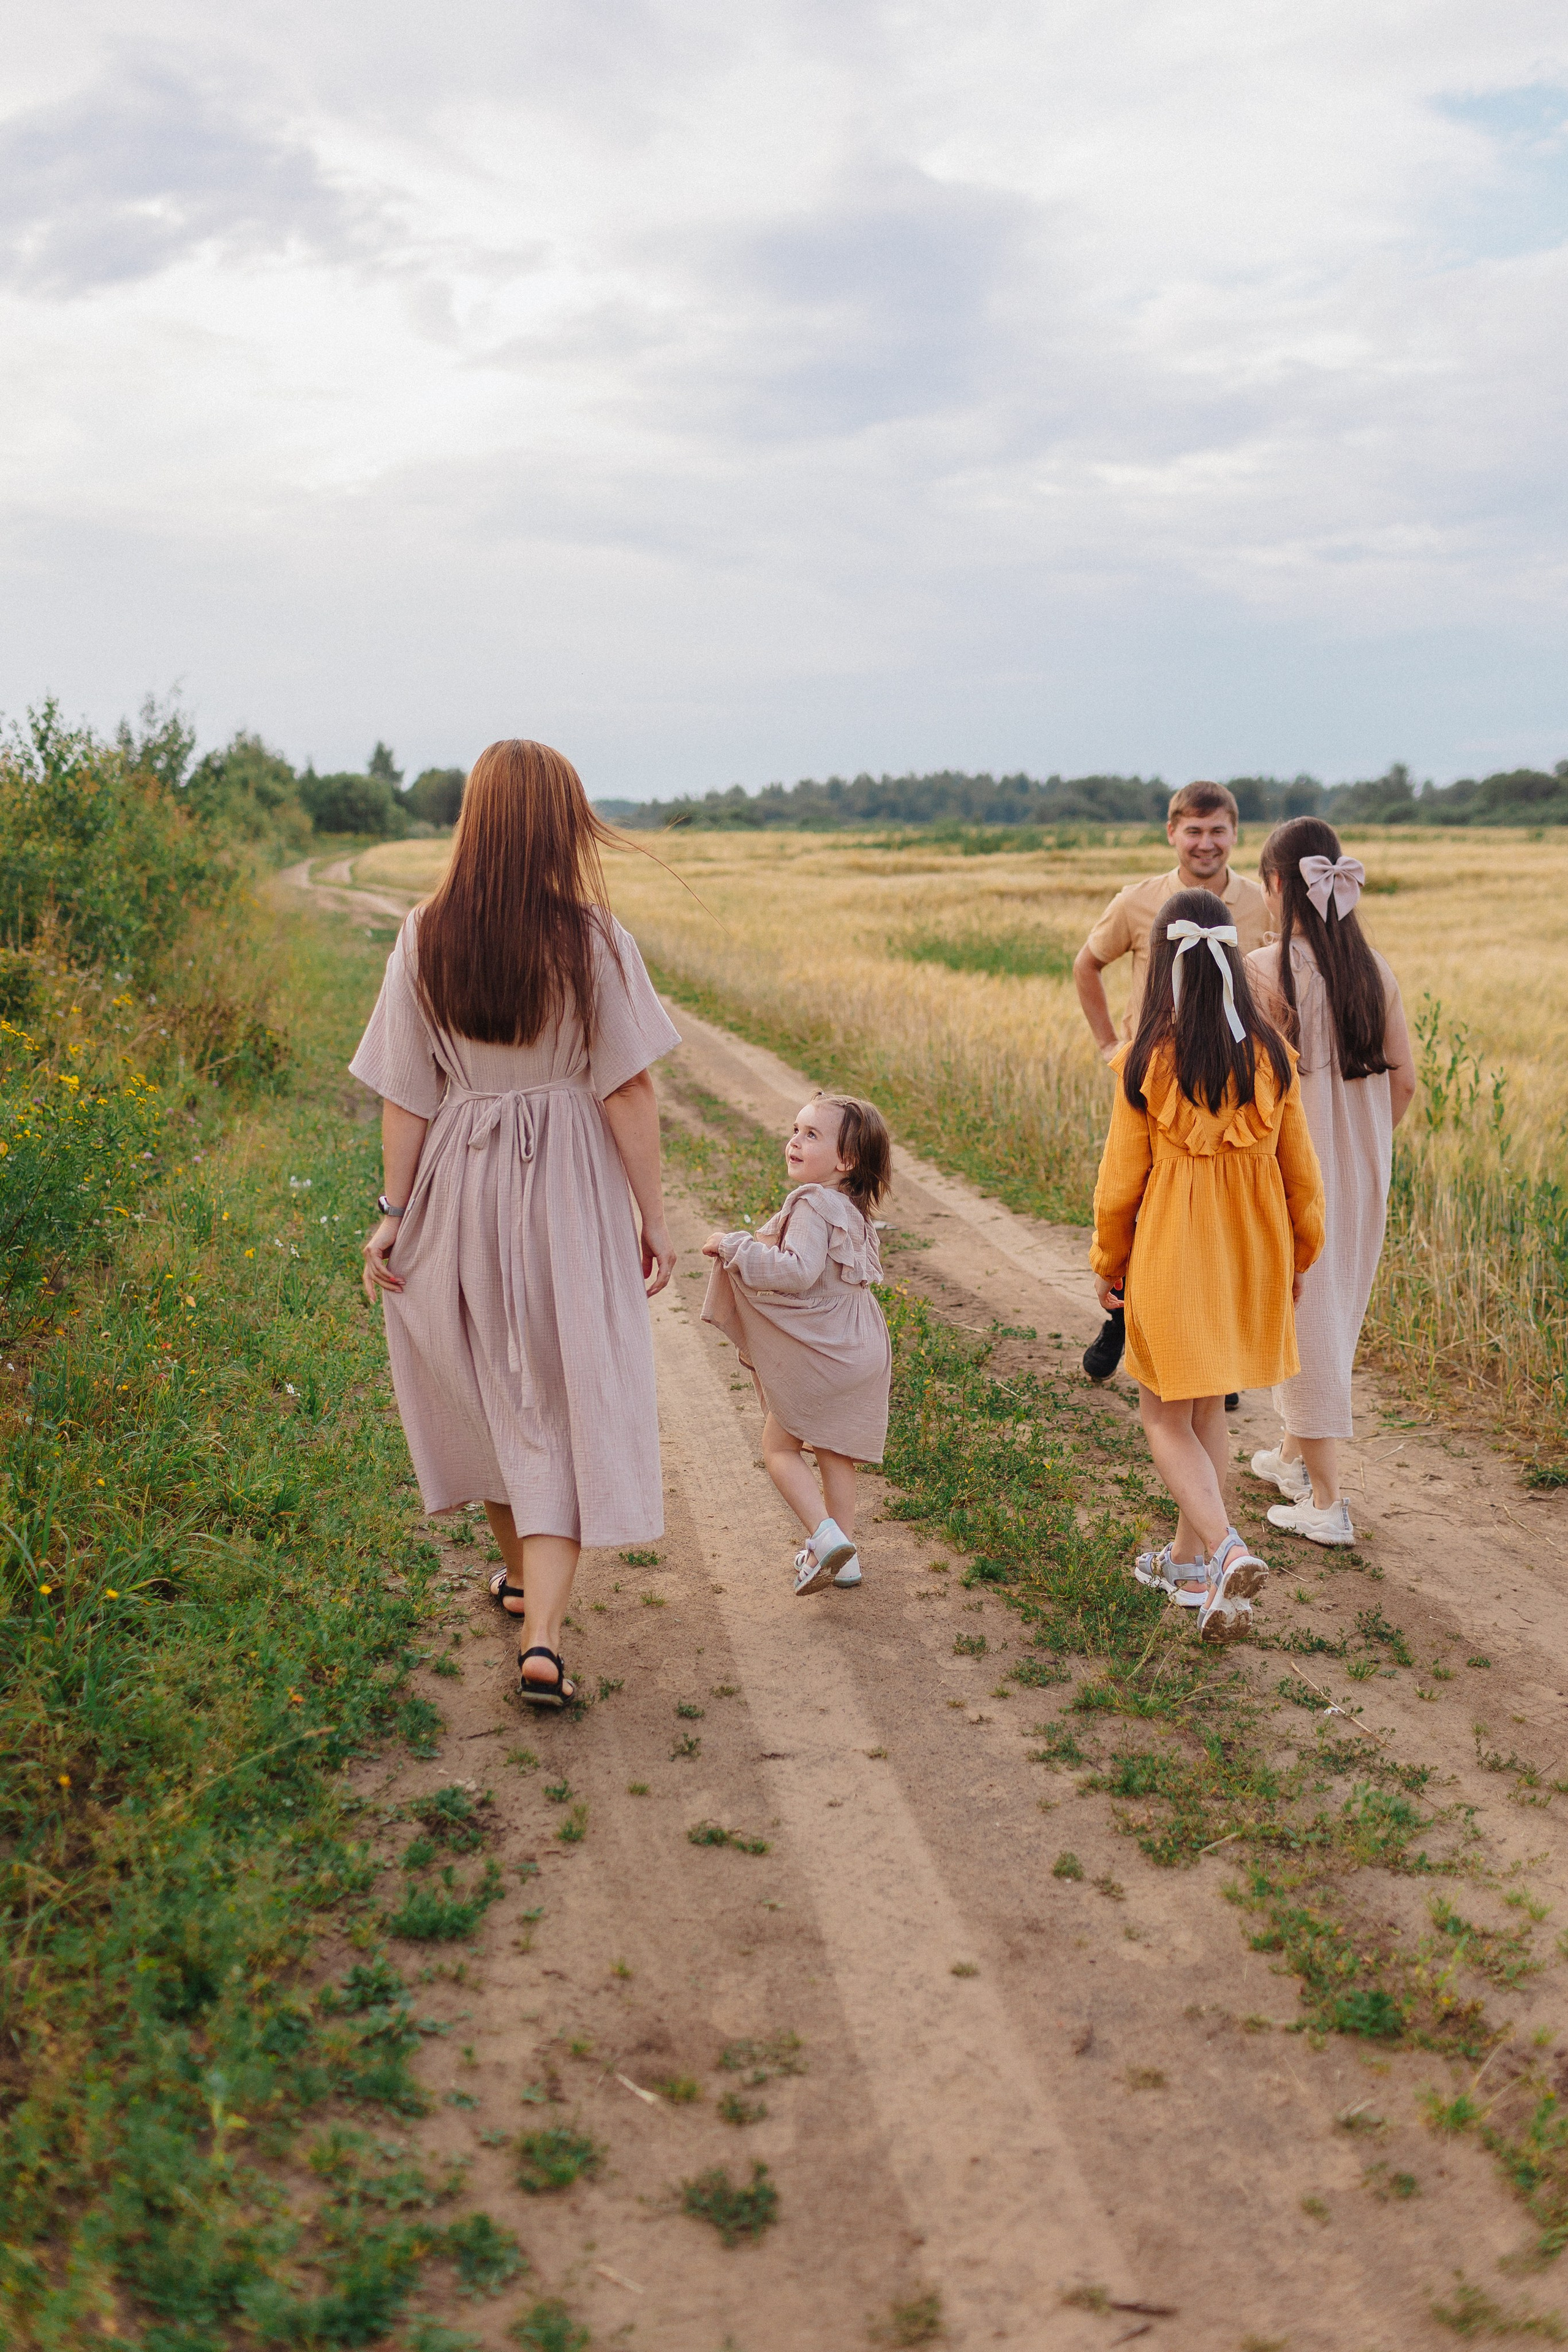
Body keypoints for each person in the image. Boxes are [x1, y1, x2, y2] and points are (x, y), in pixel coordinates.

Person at [352, 739, 680, 1707]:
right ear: (559, 825)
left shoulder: (424, 933)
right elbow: (628, 1092)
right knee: (563, 1390)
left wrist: (392, 1214)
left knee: (492, 1387)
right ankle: (541, 1635)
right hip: (566, 1184)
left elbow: (405, 1095)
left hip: (460, 1176)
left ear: (475, 820)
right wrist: (650, 1217)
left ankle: (524, 1581)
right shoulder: (594, 939)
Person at [1089, 889, 1325, 1643]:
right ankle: (1187, 1564)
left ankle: (1225, 1549)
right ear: (1231, 956)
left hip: (1172, 1253)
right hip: (1250, 1252)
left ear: (1161, 962)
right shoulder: (1274, 1058)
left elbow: (1119, 1182)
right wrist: (1298, 1254)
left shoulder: (1143, 1062)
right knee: (1203, 1409)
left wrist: (1108, 1259)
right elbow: (1303, 1176)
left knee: (1162, 1413)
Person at [1244, 821, 1416, 1545]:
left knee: (1303, 1316)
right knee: (1332, 1310)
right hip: (1364, 1162)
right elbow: (1403, 1083)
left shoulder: (1261, 970)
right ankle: (1289, 1456)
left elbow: (1250, 1090)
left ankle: (1327, 1501)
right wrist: (1364, 1139)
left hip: (1296, 1169)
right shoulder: (1373, 969)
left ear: (1278, 885)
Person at [1074, 782, 1273, 1389]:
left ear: (1234, 834)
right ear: (1171, 833)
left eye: (1217, 831)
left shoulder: (1261, 905)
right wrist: (1112, 1046)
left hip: (1231, 1086)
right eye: (1193, 831)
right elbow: (1087, 964)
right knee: (1141, 1203)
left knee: (1214, 1217)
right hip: (1154, 1085)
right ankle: (1123, 1315)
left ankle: (1218, 1357)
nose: (1205, 843)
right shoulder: (1138, 903)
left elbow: (1275, 984)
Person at [701, 1095, 892, 1596]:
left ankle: (824, 1537)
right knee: (835, 1451)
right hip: (861, 1346)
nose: (794, 1140)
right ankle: (845, 1559)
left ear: (845, 1160)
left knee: (779, 1449)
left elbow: (795, 1272)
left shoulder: (811, 1202)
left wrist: (733, 1245)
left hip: (824, 1354)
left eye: (811, 1134)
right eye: (795, 1129)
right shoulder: (853, 1209)